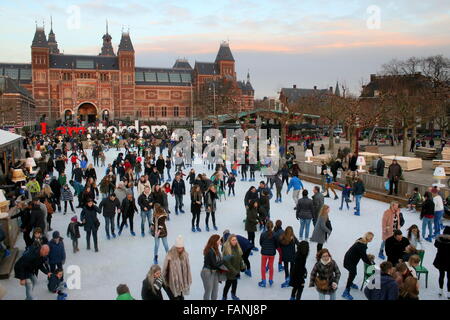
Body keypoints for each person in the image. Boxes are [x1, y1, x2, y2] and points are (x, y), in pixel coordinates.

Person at [342, 232, 375, 300]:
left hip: (351, 259)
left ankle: (350, 283)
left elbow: (362, 254)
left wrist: (366, 257)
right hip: (349, 261)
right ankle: (346, 291)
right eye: (371, 238)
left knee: (353, 273)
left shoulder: (361, 240)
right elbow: (364, 258)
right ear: (367, 238)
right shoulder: (362, 245)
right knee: (353, 273)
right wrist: (371, 265)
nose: (372, 239)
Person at [163, 235, 192, 300]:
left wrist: (188, 279)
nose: (180, 249)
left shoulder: (185, 255)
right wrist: (164, 280)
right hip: (173, 281)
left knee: (181, 297)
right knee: (174, 297)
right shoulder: (170, 255)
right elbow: (165, 268)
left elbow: (188, 268)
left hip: (182, 281)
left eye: (181, 247)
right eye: (178, 248)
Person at [221, 234, 245, 300]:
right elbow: (227, 263)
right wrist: (235, 271)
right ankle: (224, 296)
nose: (235, 241)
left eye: (235, 240)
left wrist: (242, 266)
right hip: (230, 271)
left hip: (236, 270)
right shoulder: (227, 249)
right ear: (229, 241)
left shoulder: (237, 247)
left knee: (235, 283)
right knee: (228, 284)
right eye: (233, 240)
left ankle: (233, 295)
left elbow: (240, 258)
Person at [258, 220, 278, 288]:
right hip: (272, 253)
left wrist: (264, 246)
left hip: (264, 253)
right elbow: (277, 244)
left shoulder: (263, 234)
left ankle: (263, 281)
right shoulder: (275, 234)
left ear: (266, 226)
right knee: (271, 266)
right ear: (272, 226)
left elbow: (260, 243)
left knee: (263, 266)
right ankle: (271, 280)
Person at [433, 226, 450, 299]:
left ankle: (440, 290)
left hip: (441, 260)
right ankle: (449, 293)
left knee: (441, 275)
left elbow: (435, 245)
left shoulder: (439, 239)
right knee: (449, 277)